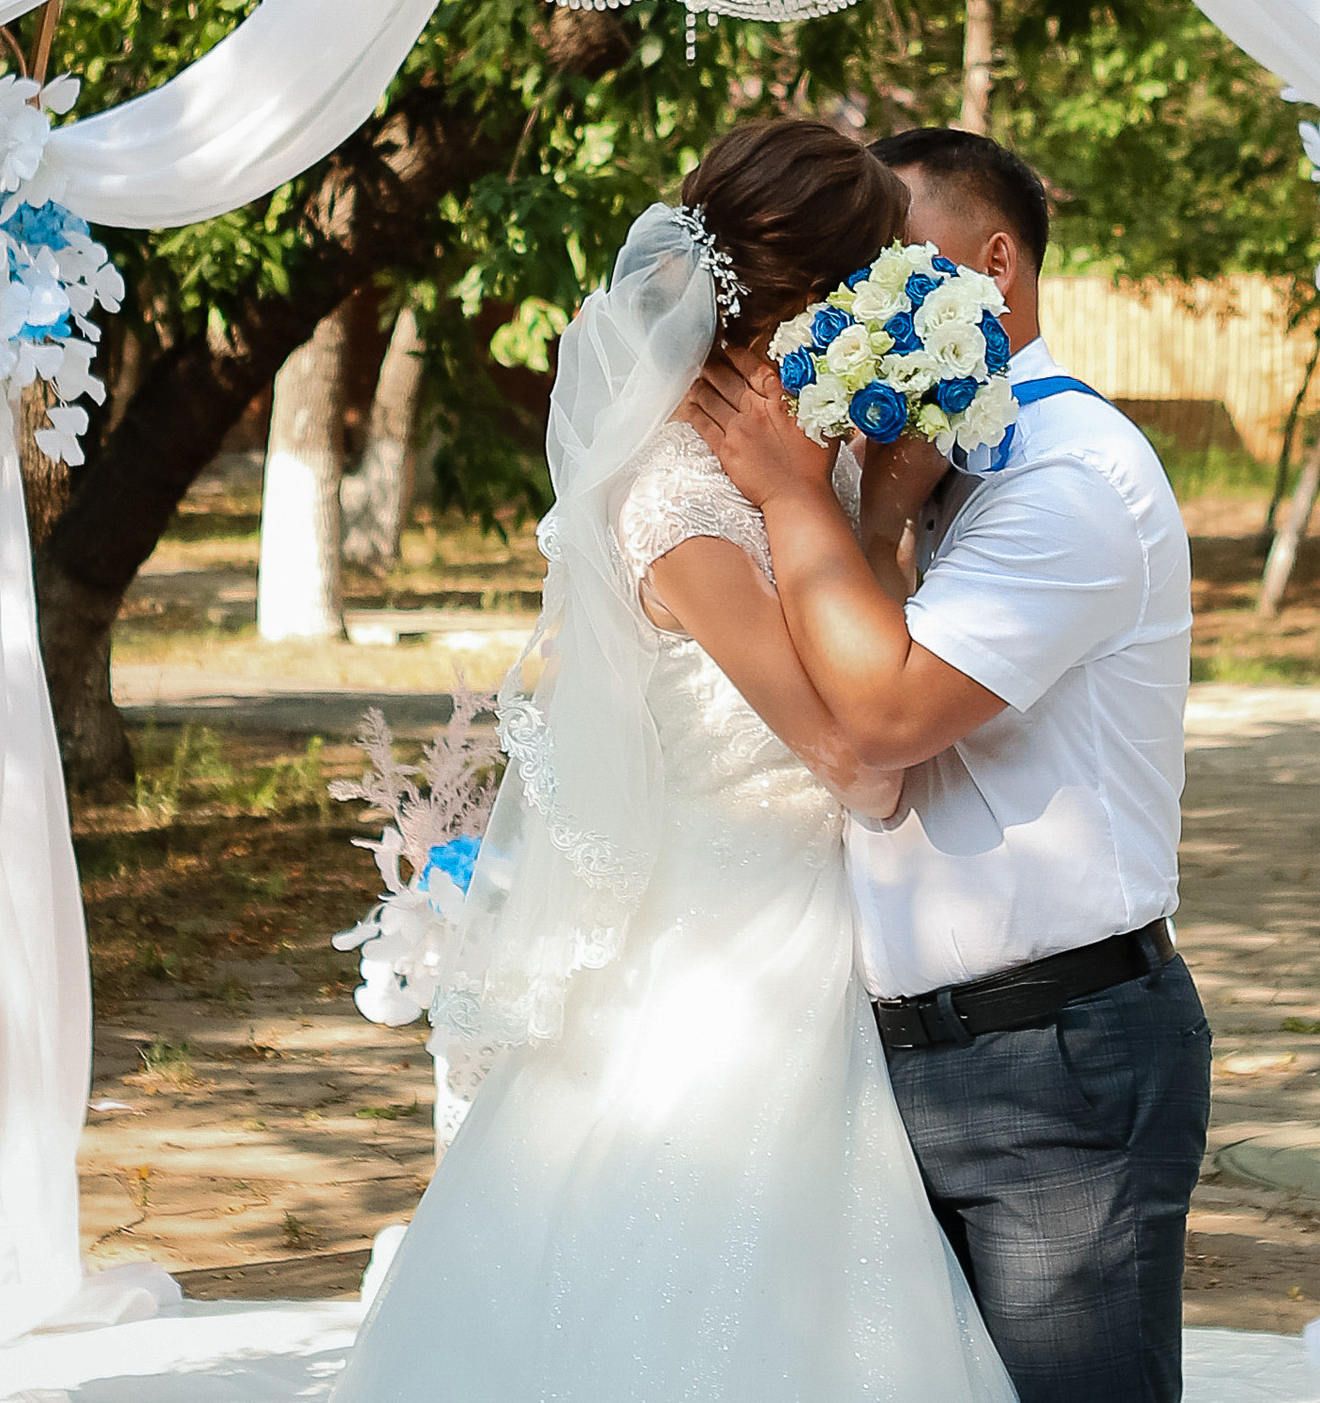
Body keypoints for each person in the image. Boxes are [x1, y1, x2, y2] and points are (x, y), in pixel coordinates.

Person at [330, 113, 1018, 1403]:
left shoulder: (801, 464)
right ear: (814, 294)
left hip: (804, 921)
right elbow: (851, 761)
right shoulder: (676, 498)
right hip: (728, 944)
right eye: (873, 274)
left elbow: (848, 659)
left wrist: (864, 520)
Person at [687, 122, 1205, 1403]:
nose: (851, 306)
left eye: (887, 268)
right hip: (904, 1058)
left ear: (994, 268)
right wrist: (867, 519)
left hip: (1054, 1068)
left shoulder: (1067, 474)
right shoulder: (932, 464)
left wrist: (793, 500)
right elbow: (857, 659)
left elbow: (884, 722)